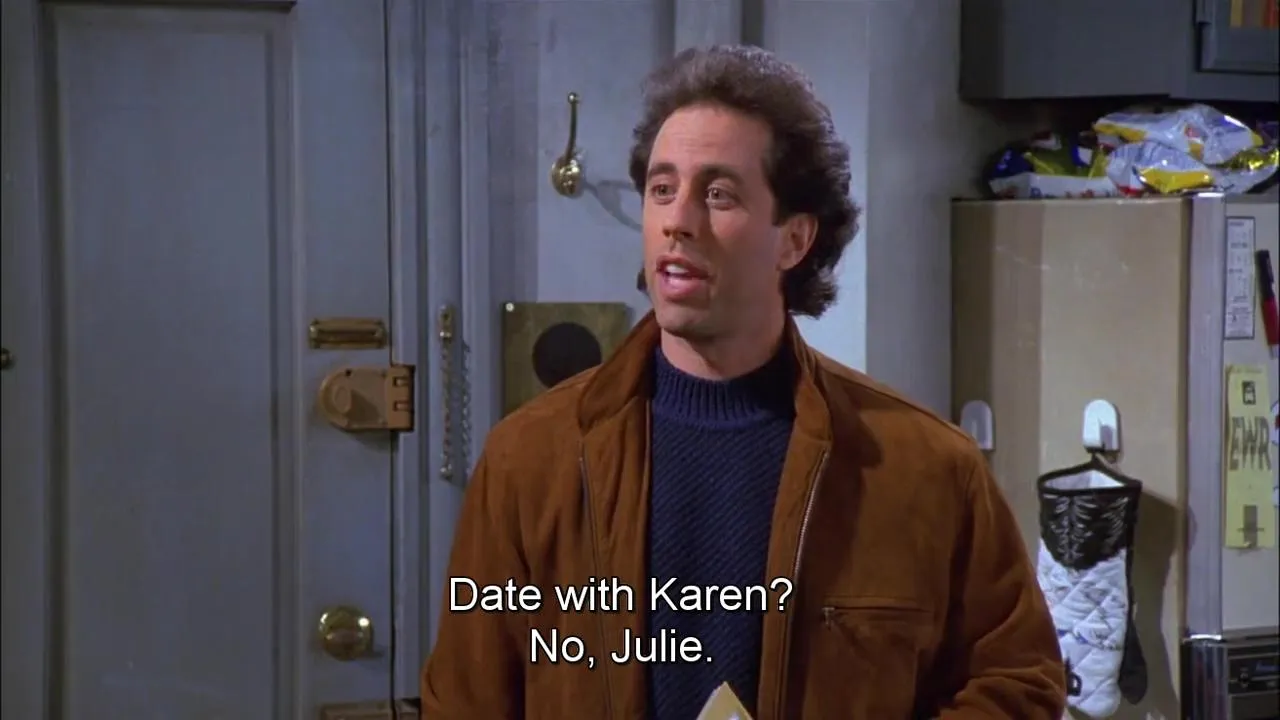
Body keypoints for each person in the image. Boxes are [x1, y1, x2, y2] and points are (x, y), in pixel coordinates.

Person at [421, 44, 1066, 719]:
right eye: (662, 189)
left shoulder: (923, 467)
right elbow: (464, 702)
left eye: (718, 194)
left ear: (794, 240)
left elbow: (1016, 683)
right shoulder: (531, 460)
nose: (678, 220)